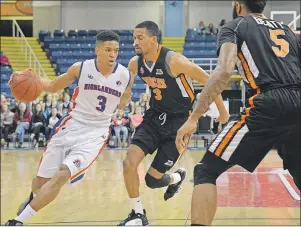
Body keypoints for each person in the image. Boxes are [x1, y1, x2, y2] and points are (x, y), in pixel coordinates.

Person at [175, 0, 301, 225]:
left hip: (269, 102)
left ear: (237, 4)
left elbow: (224, 71)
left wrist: (194, 117)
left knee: (206, 170)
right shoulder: (287, 30)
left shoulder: (234, 26)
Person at [5, 30, 132, 226]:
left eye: (116, 50)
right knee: (40, 184)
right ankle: (33, 198)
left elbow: (126, 95)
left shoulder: (124, 75)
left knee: (63, 174)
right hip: (71, 125)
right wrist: (26, 79)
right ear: (97, 50)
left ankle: (17, 221)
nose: (113, 54)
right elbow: (53, 86)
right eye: (108, 50)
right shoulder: (80, 68)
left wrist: (120, 109)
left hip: (96, 133)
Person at [118, 21, 229, 226]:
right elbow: (126, 89)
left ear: (153, 39)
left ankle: (176, 179)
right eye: (134, 38)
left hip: (179, 124)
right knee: (128, 163)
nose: (135, 42)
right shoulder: (135, 63)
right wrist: (119, 106)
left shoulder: (174, 61)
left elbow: (211, 81)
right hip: (153, 117)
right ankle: (137, 214)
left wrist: (223, 113)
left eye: (140, 38)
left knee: (152, 181)